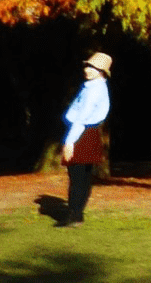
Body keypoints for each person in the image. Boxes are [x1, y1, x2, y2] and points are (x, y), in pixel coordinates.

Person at [59, 53, 112, 225]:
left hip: (82, 133)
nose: (87, 70)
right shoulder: (93, 86)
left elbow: (82, 117)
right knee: (82, 177)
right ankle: (76, 213)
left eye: (93, 67)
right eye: (87, 66)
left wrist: (70, 141)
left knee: (77, 177)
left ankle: (74, 213)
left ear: (101, 71)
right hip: (86, 132)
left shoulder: (94, 90)